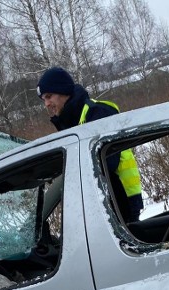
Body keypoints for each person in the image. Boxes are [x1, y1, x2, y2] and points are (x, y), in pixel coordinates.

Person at [37, 67, 144, 222]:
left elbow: (106, 164)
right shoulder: (70, 122)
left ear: (63, 91)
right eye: (43, 100)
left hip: (121, 203)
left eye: (49, 96)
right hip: (103, 206)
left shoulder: (97, 113)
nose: (46, 104)